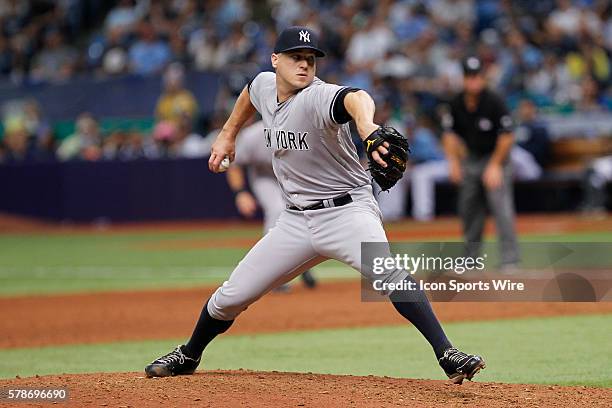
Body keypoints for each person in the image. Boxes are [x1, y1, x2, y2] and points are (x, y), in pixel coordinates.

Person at [145, 26, 485, 384]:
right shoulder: (263, 85)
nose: (304, 65)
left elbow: (354, 97)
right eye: (295, 57)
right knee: (230, 297)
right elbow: (249, 94)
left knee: (388, 274)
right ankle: (190, 353)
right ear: (275, 60)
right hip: (294, 221)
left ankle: (447, 354)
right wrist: (228, 134)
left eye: (310, 59)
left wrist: (367, 126)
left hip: (348, 213)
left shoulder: (317, 97)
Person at [442, 56, 519, 268]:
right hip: (471, 158)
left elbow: (507, 136)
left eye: (477, 77)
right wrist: (453, 162)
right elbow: (449, 134)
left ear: (483, 78)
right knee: (468, 208)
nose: (473, 81)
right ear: (463, 78)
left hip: (495, 157)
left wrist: (494, 165)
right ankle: (471, 259)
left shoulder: (494, 100)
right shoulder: (456, 102)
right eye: (469, 77)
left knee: (501, 208)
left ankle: (509, 260)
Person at [228, 118, 317, 290]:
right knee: (277, 209)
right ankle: (271, 271)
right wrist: (240, 193)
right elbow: (236, 165)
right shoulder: (253, 134)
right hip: (266, 178)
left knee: (309, 216)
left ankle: (301, 263)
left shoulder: (302, 127)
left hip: (295, 177)